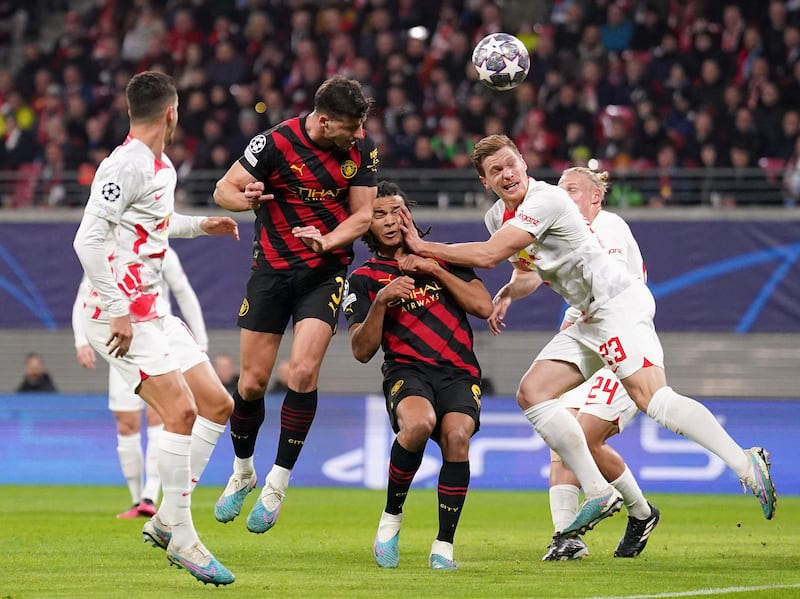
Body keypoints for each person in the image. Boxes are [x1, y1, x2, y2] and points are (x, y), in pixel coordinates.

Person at [399, 134, 777, 541]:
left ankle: (744, 462)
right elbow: (527, 269)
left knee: (653, 398)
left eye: (511, 164)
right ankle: (598, 491)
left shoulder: (546, 200)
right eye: (496, 171)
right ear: (485, 182)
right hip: (587, 318)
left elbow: (490, 254)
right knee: (532, 392)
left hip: (617, 303)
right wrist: (509, 290)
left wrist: (423, 247)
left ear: (524, 163)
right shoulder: (497, 218)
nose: (507, 174)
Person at [72, 71, 240, 586]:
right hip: (120, 317)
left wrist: (201, 224)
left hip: (155, 314)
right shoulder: (124, 164)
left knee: (217, 405)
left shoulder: (160, 166)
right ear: (172, 112)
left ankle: (167, 518)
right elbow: (87, 240)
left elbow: (154, 223)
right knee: (181, 411)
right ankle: (184, 539)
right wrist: (117, 306)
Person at [212, 74, 379, 534]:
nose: (359, 135)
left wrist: (327, 241)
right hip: (270, 271)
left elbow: (363, 215)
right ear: (324, 121)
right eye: (351, 126)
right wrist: (244, 199)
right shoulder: (273, 144)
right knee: (251, 383)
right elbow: (222, 190)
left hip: (324, 273)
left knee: (302, 373)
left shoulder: (361, 152)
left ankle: (277, 484)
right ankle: (243, 473)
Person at [343, 180, 493, 570]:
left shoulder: (445, 256)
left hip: (459, 371)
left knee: (457, 436)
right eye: (379, 214)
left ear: (408, 212)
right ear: (366, 224)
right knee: (418, 424)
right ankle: (391, 518)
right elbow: (360, 351)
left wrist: (431, 267)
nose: (391, 221)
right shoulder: (363, 278)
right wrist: (380, 301)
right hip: (407, 370)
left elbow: (483, 306)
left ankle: (444, 544)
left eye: (396, 210)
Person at [529, 167, 658, 560]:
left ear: (595, 198)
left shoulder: (609, 226)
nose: (562, 196)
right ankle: (565, 537)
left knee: (586, 435)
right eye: (559, 189)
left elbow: (609, 285)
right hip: (589, 346)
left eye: (571, 189)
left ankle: (641, 512)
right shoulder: (568, 233)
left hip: (620, 345)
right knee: (562, 437)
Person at [72, 248, 209, 519]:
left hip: (156, 341)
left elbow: (183, 291)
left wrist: (201, 342)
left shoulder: (161, 250)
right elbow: (83, 297)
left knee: (160, 416)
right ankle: (137, 500)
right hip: (121, 346)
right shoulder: (102, 252)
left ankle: (151, 494)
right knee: (126, 423)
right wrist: (81, 340)